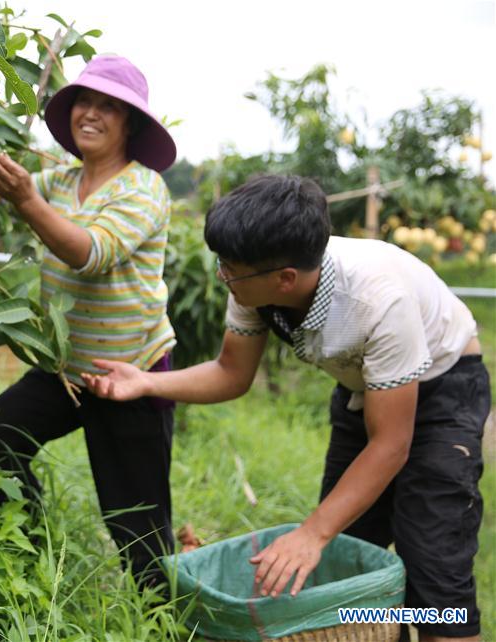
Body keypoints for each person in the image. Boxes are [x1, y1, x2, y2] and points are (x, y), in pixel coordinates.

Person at [81, 175, 489, 641]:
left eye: (230, 268)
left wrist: (311, 533)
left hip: (444, 386)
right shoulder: (258, 284)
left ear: (285, 278)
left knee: (433, 573)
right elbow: (232, 374)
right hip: (367, 393)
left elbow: (391, 444)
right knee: (348, 558)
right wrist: (145, 382)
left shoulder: (377, 300)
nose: (222, 275)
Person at [0, 55, 178, 586]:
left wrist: (24, 199)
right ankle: (28, 548)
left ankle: (162, 614)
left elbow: (90, 253)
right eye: (84, 101)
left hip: (128, 374)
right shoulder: (59, 179)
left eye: (109, 107)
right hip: (64, 367)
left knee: (137, 519)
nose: (91, 113)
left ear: (130, 124)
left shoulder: (143, 188)